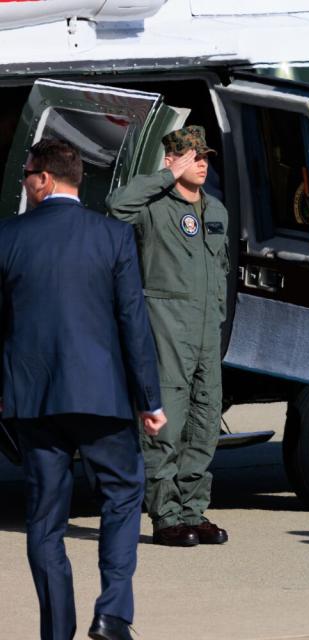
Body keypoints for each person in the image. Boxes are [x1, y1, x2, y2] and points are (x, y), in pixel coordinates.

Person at [1, 139, 166, 640]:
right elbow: (133, 323)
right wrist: (150, 401)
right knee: (121, 495)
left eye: (27, 174)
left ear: (45, 178)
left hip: (34, 401)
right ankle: (112, 613)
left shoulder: (7, 236)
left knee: (45, 517)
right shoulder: (112, 237)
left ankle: (58, 630)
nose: (24, 183)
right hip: (102, 395)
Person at [106, 126, 230, 547]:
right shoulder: (153, 207)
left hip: (206, 335)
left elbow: (222, 273)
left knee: (204, 422)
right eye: (190, 155)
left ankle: (194, 510)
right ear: (171, 159)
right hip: (167, 329)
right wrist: (163, 177)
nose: (200, 162)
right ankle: (167, 516)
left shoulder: (216, 211)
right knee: (167, 424)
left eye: (204, 155)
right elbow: (116, 205)